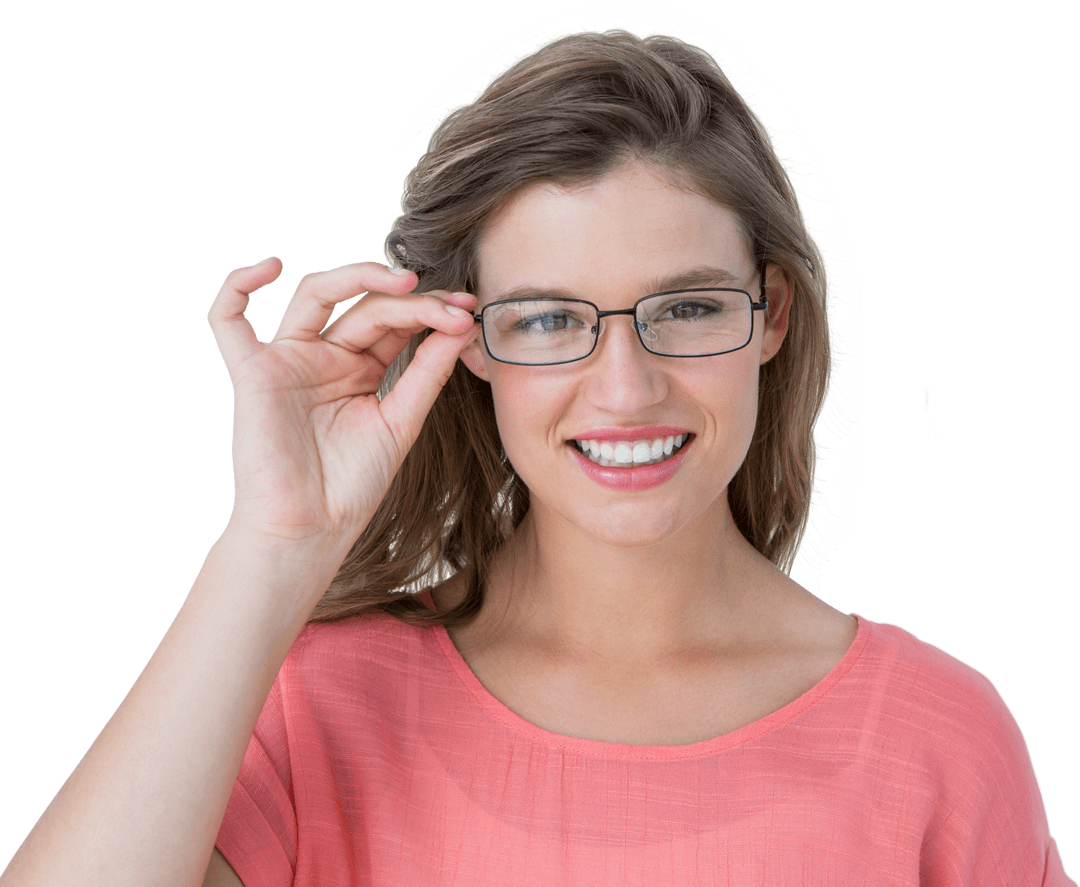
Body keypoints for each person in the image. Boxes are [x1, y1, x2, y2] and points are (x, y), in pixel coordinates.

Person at [1, 25, 1072, 887]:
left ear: (772, 313)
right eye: (553, 318)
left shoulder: (942, 740)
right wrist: (271, 543)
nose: (624, 388)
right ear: (465, 342)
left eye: (688, 306)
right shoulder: (317, 706)